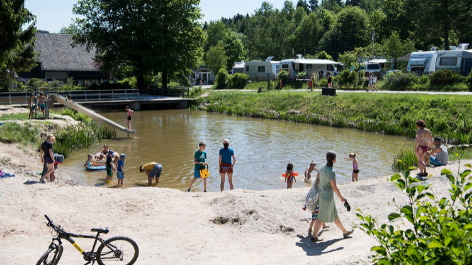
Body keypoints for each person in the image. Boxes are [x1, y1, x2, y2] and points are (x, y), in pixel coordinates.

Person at [311, 151, 354, 242]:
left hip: (322, 195)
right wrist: (341, 198)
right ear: (334, 159)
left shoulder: (322, 167)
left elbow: (318, 178)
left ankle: (344, 232)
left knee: (335, 215)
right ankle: (314, 236)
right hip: (328, 197)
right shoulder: (332, 171)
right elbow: (334, 187)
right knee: (321, 217)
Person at [303, 168, 330, 237]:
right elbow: (310, 196)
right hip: (315, 205)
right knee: (314, 219)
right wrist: (305, 205)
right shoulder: (317, 186)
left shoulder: (317, 185)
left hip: (318, 204)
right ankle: (310, 229)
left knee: (321, 216)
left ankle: (324, 225)